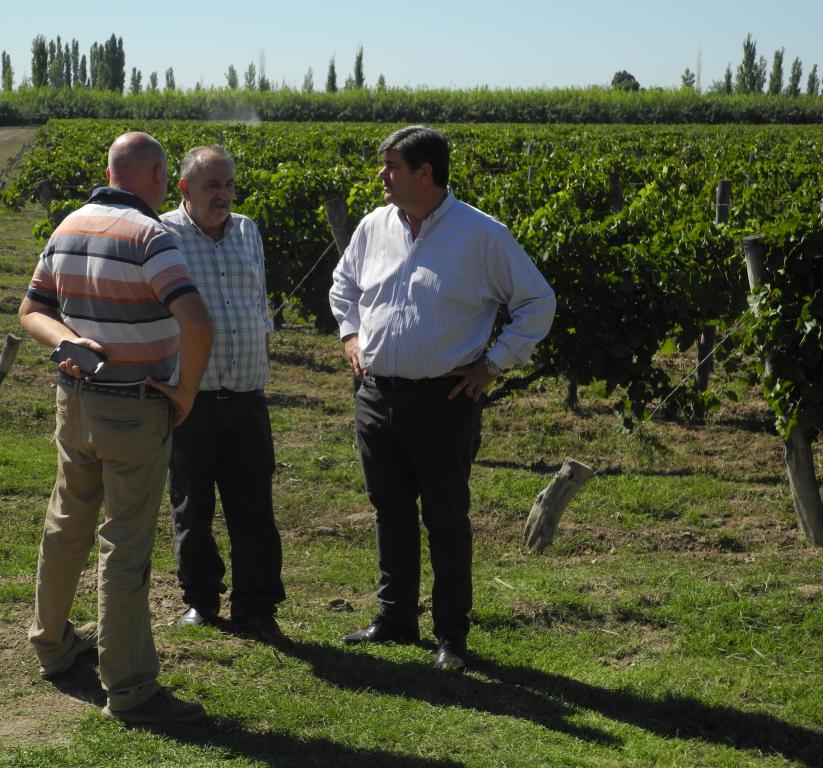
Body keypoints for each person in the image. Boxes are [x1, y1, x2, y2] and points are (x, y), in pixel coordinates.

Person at [329, 125, 555, 671]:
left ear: (425, 174)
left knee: (446, 517)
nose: (382, 177)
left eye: (392, 168)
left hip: (443, 399)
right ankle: (395, 617)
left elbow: (536, 301)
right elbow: (344, 286)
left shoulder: (482, 235)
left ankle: (452, 636)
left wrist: (493, 364)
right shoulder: (374, 226)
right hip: (377, 395)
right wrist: (352, 336)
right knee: (390, 511)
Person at [19, 131, 214, 724]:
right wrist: (184, 391)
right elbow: (198, 325)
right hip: (133, 407)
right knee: (124, 546)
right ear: (156, 177)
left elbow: (31, 311)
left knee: (65, 522)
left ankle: (51, 645)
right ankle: (128, 686)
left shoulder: (68, 226)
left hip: (74, 402)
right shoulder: (152, 236)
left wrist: (69, 340)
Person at [161, 146, 286, 644]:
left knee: (254, 504)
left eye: (229, 184)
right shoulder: (162, 234)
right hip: (191, 395)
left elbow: (257, 301)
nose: (224, 194)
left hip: (248, 392)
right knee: (192, 504)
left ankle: (257, 606)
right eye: (213, 185)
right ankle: (201, 599)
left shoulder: (248, 230)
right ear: (185, 188)